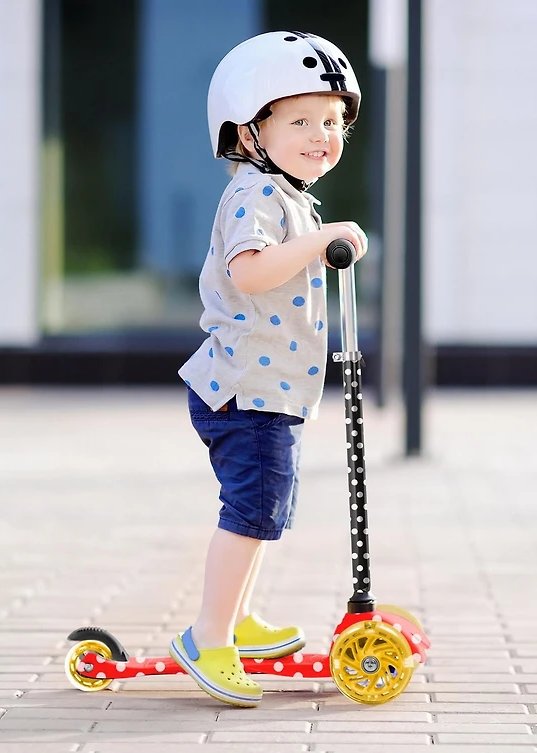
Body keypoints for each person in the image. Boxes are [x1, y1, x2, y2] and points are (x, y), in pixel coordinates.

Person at [173, 31, 367, 708]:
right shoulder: (254, 198)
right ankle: (208, 636)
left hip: (269, 390)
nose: (324, 134)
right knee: (251, 511)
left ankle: (238, 619)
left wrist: (315, 235)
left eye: (334, 121)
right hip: (244, 390)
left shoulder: (286, 195)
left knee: (266, 511)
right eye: (303, 120)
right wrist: (318, 242)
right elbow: (249, 273)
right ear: (249, 132)